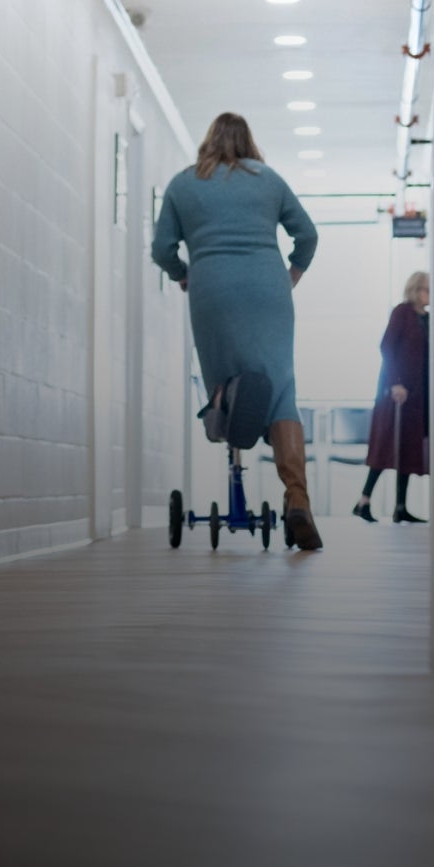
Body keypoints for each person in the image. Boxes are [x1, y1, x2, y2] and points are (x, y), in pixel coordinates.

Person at [151, 113, 323, 551]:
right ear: (249, 141)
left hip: (212, 290)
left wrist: (183, 274)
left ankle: (232, 463)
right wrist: (293, 273)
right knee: (281, 391)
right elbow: (307, 234)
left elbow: (161, 248)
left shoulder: (183, 184)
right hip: (269, 289)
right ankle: (297, 498)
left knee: (226, 385)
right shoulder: (269, 180)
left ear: (208, 142)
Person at [352, 271, 430, 523]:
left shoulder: (427, 319)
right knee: (386, 445)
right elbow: (386, 346)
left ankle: (400, 507)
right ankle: (363, 501)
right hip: (395, 393)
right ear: (415, 289)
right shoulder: (402, 313)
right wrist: (396, 383)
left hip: (418, 397)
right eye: (426, 289)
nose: (429, 294)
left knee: (408, 449)